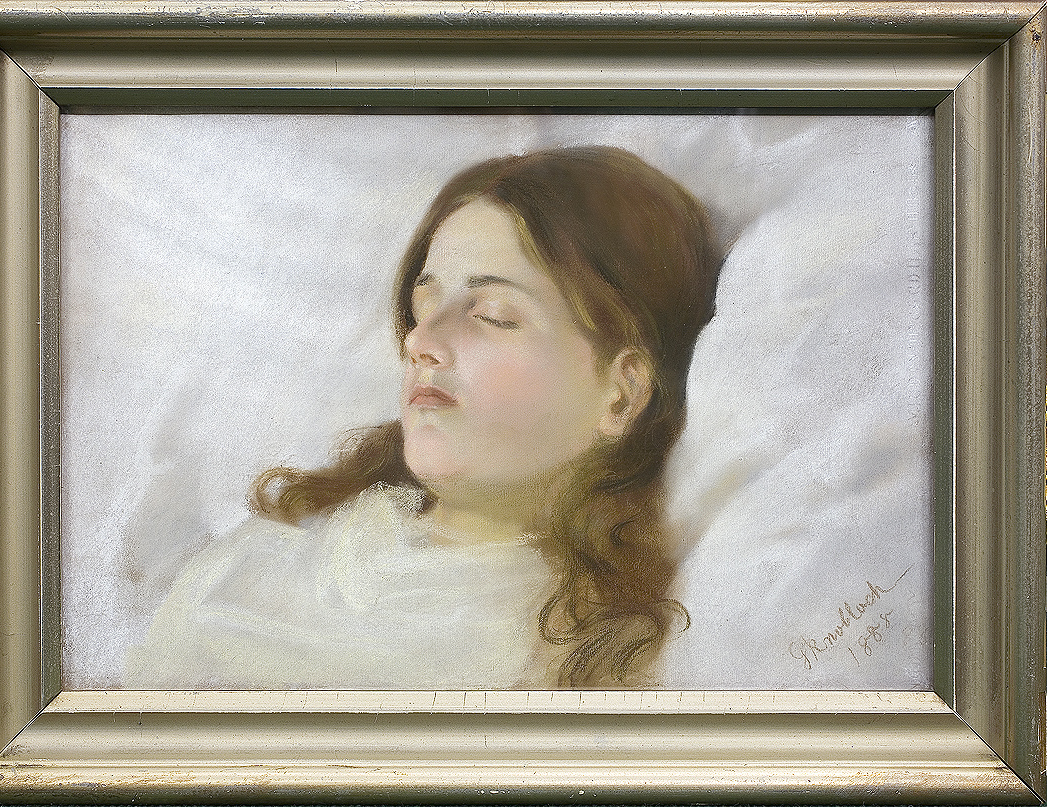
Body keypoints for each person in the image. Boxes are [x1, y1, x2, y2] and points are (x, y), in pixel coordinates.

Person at [126, 146, 721, 690]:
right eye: (424, 305)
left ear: (620, 394)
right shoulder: (257, 563)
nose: (421, 343)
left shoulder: (603, 655)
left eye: (493, 315)